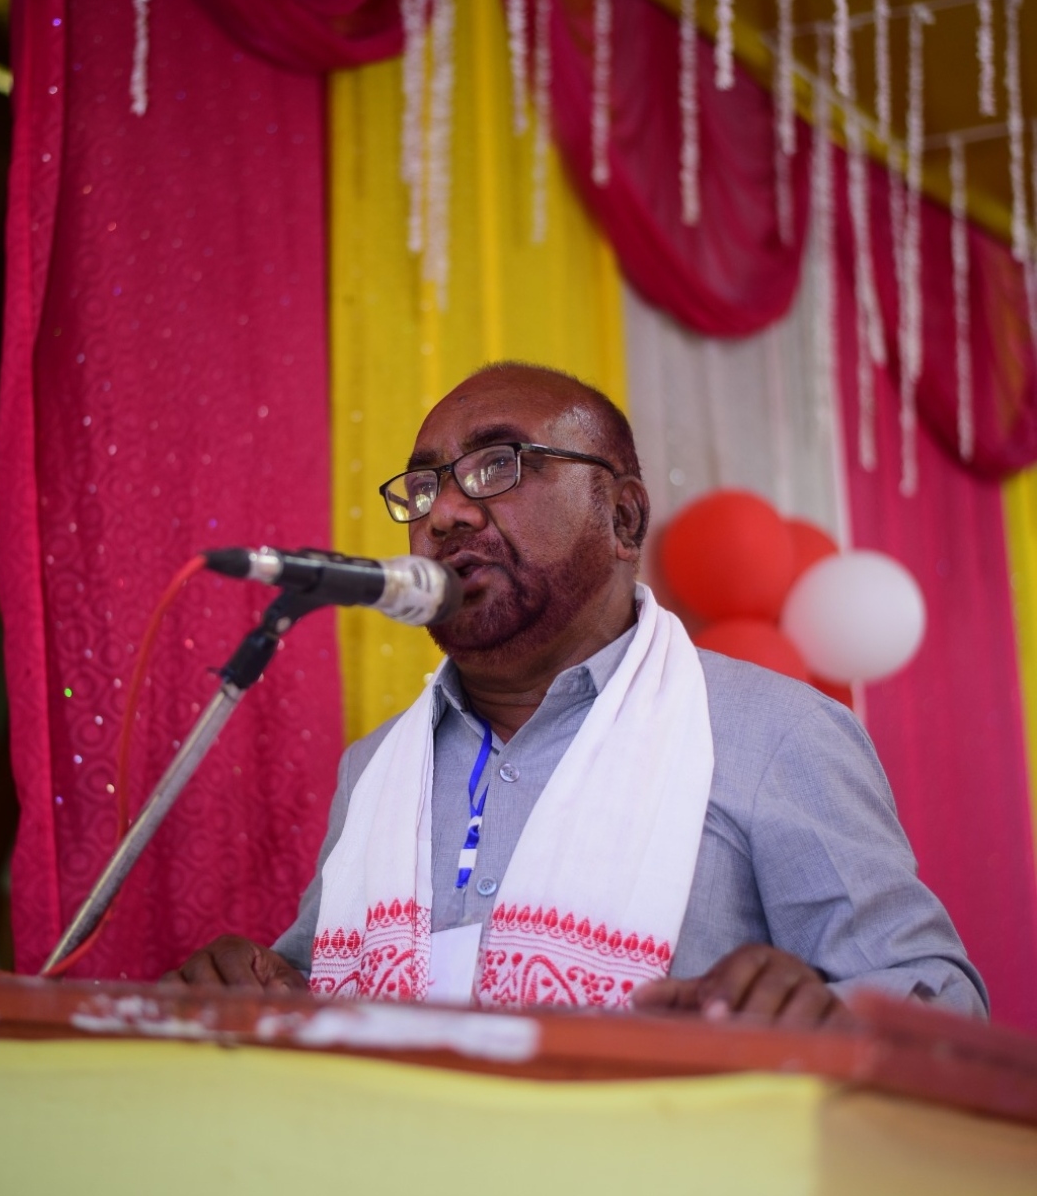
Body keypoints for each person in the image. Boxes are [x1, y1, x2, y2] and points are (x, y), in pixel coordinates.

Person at [168, 363, 988, 1026]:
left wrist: (823, 1014)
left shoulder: (774, 732)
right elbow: (315, 985)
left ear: (623, 518)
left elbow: (941, 997)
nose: (444, 512)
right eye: (422, 487)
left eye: (498, 465)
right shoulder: (375, 767)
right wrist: (254, 981)